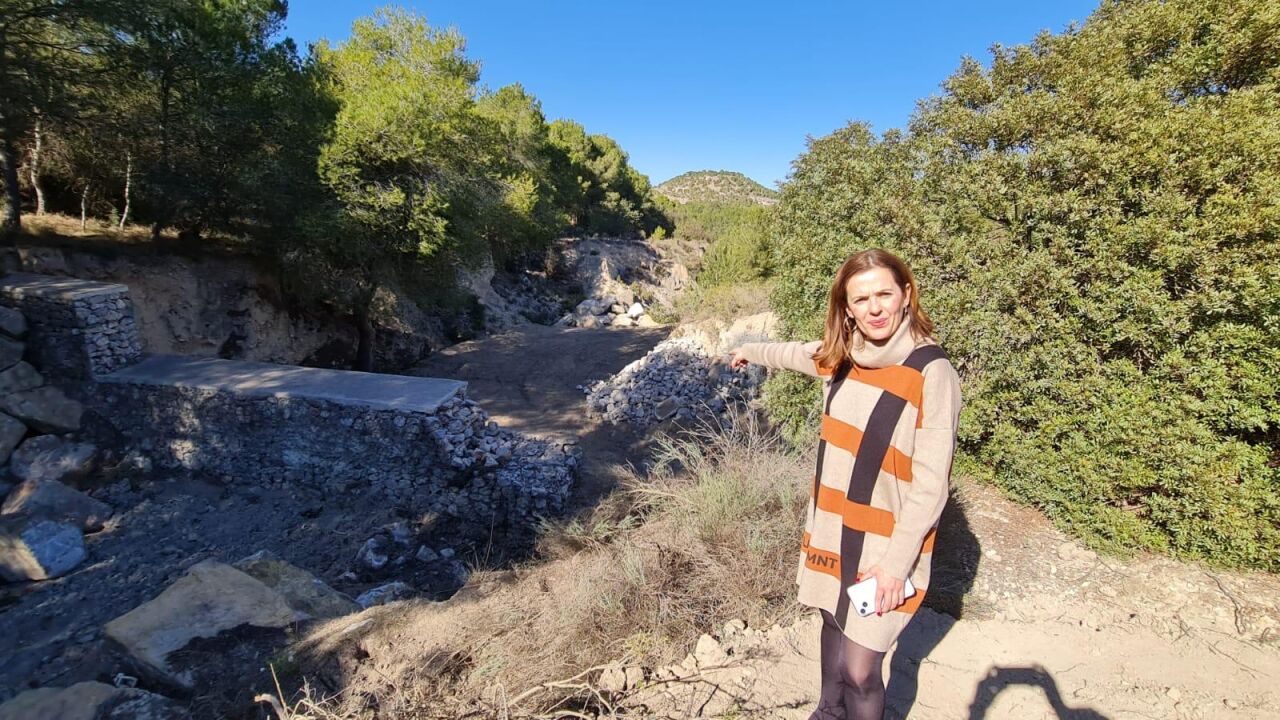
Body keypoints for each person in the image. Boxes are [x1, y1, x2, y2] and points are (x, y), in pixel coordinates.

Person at [729, 248, 961, 720]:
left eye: (884, 295)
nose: (874, 309)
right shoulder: (842, 355)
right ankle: (828, 712)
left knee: (859, 669)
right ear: (847, 308)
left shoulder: (932, 372)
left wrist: (895, 567)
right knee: (832, 622)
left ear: (906, 295)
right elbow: (794, 353)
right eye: (861, 299)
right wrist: (750, 350)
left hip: (887, 547)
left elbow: (931, 487)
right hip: (832, 529)